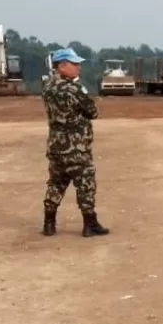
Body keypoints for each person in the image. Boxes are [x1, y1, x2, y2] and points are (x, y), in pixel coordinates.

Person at [41, 47, 110, 238]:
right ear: (61, 66)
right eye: (74, 64)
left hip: (56, 145)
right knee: (85, 183)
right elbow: (92, 112)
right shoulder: (74, 88)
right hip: (76, 147)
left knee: (56, 183)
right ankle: (90, 223)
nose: (78, 67)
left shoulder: (47, 88)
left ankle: (49, 223)